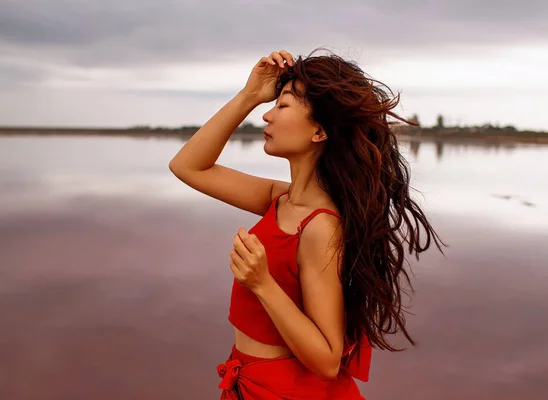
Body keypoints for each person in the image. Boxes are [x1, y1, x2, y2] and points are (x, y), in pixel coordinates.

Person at [169, 48, 443, 399]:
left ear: (319, 132)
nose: (267, 115)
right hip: (248, 381)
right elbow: (188, 166)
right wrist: (249, 96)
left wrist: (262, 282)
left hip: (286, 391)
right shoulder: (281, 200)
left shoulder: (320, 227)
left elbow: (328, 361)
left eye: (282, 106)